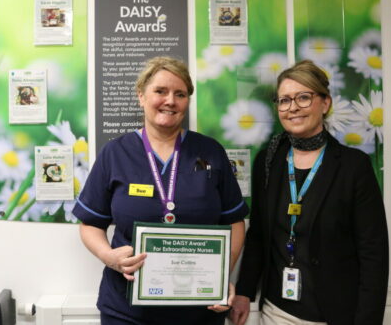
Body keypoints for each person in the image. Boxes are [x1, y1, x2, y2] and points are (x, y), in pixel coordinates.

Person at [73, 56, 249, 325]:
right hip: (127, 311)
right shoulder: (115, 153)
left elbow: (234, 221)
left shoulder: (210, 151)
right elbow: (90, 224)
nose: (170, 100)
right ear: (141, 96)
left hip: (199, 310)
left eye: (180, 94)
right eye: (160, 91)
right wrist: (109, 257)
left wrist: (222, 274)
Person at [231, 60, 388, 325]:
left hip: (334, 314)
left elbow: (374, 253)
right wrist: (245, 291)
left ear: (325, 103)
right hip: (276, 312)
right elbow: (259, 234)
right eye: (284, 100)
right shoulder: (268, 162)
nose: (292, 108)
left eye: (303, 98)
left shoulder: (353, 166)